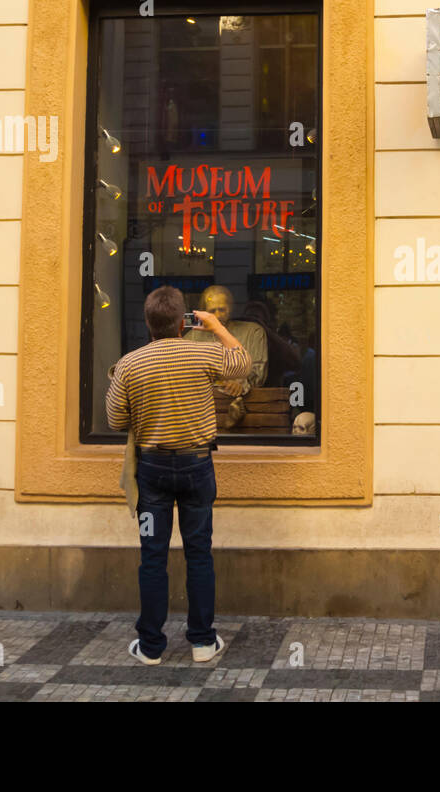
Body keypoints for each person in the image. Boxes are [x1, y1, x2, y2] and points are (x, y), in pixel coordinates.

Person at [106, 285, 252, 665]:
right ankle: (203, 641)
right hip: (196, 467)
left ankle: (151, 646)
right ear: (182, 321)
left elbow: (115, 419)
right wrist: (216, 327)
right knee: (199, 553)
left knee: (152, 556)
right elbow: (242, 362)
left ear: (148, 322)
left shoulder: (129, 364)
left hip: (152, 471)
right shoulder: (203, 352)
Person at [184, 285, 268, 427]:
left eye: (222, 309)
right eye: (212, 311)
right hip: (198, 418)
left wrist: (242, 382)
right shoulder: (190, 338)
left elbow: (258, 372)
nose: (217, 315)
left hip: (249, 417)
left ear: (230, 308)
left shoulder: (253, 332)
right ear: (204, 312)